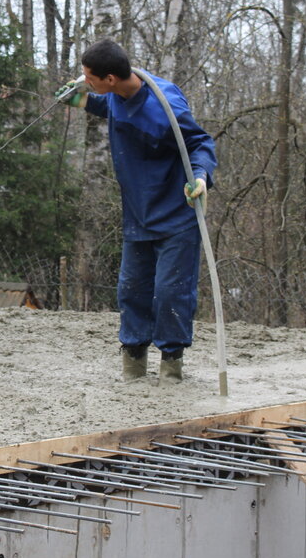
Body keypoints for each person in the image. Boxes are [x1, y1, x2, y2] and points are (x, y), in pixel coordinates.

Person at [57, 39, 217, 383]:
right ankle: (133, 363)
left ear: (110, 78)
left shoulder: (166, 105)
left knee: (171, 292)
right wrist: (83, 99)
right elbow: (114, 107)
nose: (85, 80)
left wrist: (201, 178)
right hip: (138, 214)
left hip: (176, 212)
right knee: (131, 290)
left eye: (89, 78)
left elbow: (199, 142)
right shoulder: (117, 94)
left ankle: (172, 366)